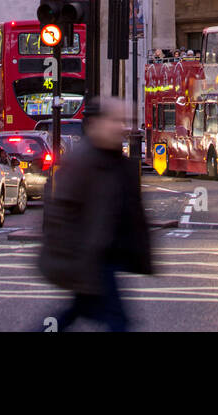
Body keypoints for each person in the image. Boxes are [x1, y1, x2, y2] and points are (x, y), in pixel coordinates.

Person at [38, 97, 152, 332]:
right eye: (115, 120)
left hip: (104, 258)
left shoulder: (119, 162)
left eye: (125, 121)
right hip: (92, 260)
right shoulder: (81, 161)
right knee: (117, 322)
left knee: (75, 313)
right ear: (97, 124)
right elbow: (59, 215)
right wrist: (73, 260)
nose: (122, 127)